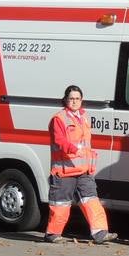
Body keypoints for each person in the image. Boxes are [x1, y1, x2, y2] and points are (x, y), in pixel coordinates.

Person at [43, 85, 117, 244]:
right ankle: (53, 234)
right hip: (64, 171)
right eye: (71, 98)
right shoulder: (59, 118)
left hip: (83, 170)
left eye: (77, 98)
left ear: (81, 100)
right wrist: (74, 148)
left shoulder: (83, 117)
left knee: (92, 200)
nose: (74, 101)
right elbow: (60, 141)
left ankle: (100, 233)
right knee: (60, 204)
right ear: (65, 100)